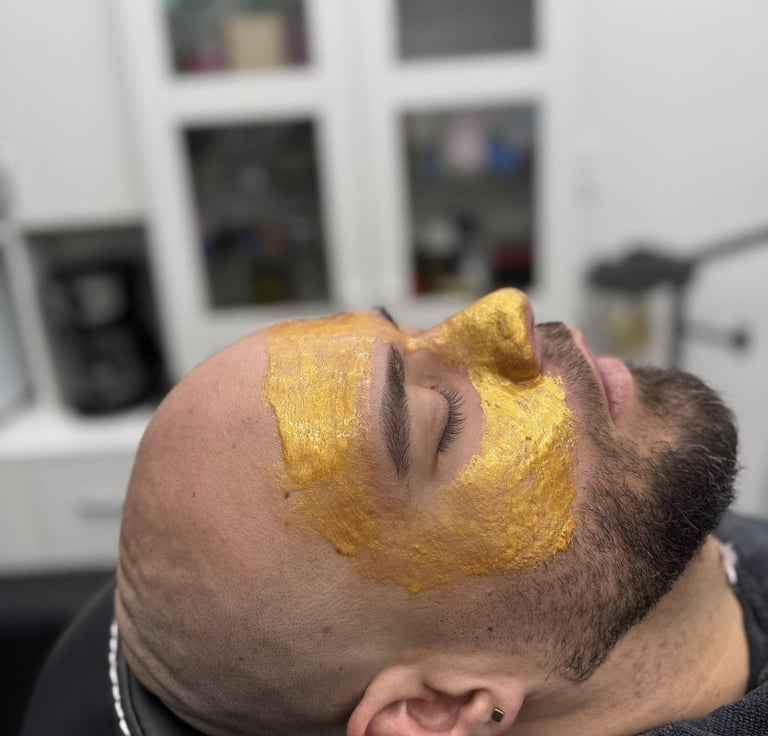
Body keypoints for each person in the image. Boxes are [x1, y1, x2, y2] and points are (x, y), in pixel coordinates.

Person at [22, 288, 768, 736]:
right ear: (440, 709)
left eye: (412, 334)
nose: (507, 311)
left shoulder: (643, 547)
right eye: (443, 424)